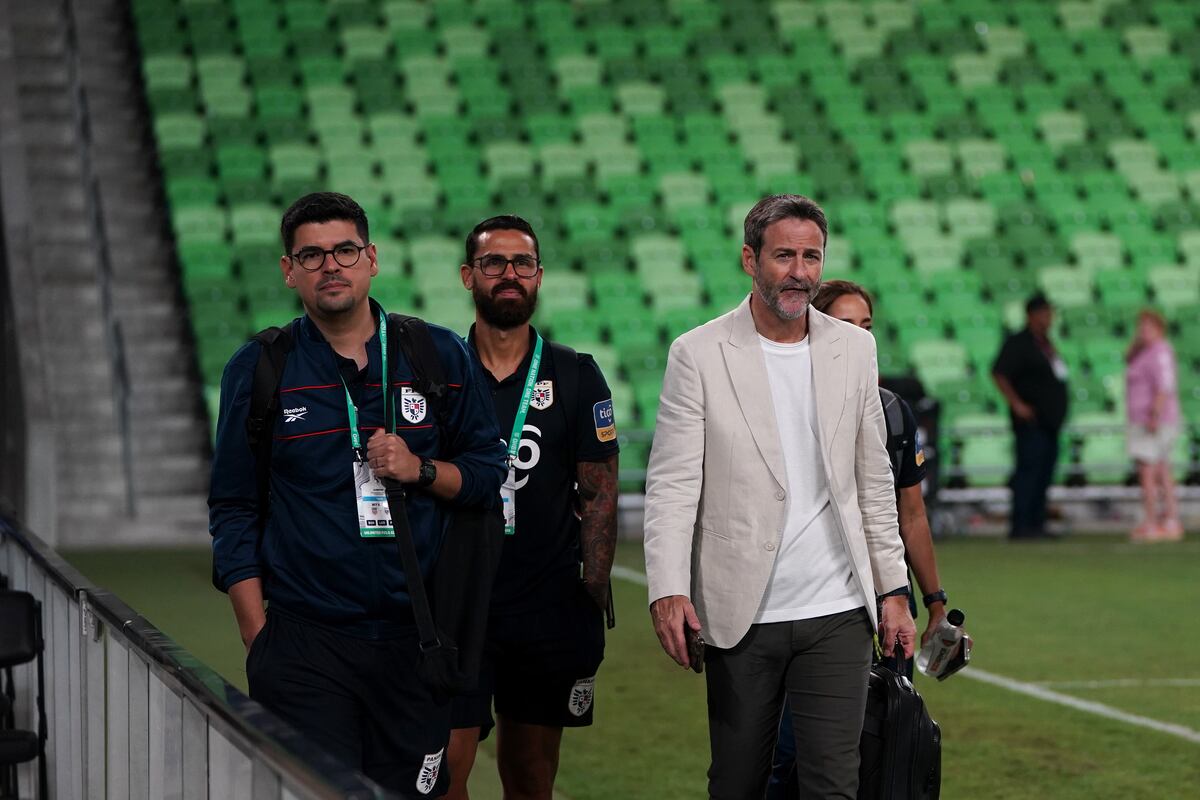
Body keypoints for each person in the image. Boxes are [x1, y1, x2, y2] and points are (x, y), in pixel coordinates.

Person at [209, 192, 506, 798]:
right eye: (311, 255)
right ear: (289, 270)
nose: (330, 266)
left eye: (344, 250)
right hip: (304, 644)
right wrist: (257, 635)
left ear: (371, 258)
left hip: (416, 639)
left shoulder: (436, 354)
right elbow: (233, 507)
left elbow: (486, 471)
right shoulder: (261, 367)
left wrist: (421, 470)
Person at [643, 194, 916, 799]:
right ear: (750, 260)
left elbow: (874, 481)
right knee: (737, 784)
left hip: (837, 608)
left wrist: (894, 591)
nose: (799, 272)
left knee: (834, 786)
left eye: (811, 257)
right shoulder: (698, 353)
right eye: (784, 256)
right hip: (740, 611)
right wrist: (667, 588)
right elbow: (672, 485)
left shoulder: (855, 348)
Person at [446, 215, 619, 800]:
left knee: (529, 775)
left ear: (539, 276)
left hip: (546, 608)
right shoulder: (439, 371)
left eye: (522, 263)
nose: (509, 274)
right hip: (458, 603)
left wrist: (591, 595)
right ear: (468, 275)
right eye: (494, 263)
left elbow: (599, 493)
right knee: (444, 773)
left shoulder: (575, 374)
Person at [767, 279, 949, 798]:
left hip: (885, 605)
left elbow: (911, 516)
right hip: (806, 603)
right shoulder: (785, 405)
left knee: (882, 748)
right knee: (789, 753)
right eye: (846, 325)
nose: (860, 338)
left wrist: (935, 604)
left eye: (867, 327)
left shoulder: (893, 411)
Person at [991, 293, 1069, 539]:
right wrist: (1017, 404)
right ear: (1032, 315)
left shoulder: (1045, 343)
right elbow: (999, 373)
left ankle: (1037, 523)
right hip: (1031, 422)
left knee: (1044, 473)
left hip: (1049, 423)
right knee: (1028, 473)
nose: (1049, 318)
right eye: (1044, 313)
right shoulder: (1019, 343)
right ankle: (1021, 525)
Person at [1125, 309, 1184, 542]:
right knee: (1161, 470)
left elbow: (1165, 385)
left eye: (1148, 327)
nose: (1143, 331)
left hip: (1152, 420)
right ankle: (1169, 519)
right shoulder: (1143, 351)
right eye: (1141, 327)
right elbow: (1127, 358)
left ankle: (1151, 521)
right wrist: (1137, 344)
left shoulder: (1161, 351)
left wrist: (1155, 414)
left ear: (1160, 329)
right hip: (1144, 418)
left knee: (1148, 471)